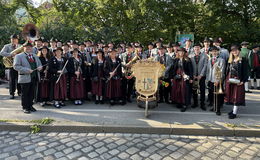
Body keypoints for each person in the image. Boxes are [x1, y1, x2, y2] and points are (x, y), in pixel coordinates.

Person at [13, 42, 42, 114]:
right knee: (25, 93)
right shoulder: (19, 56)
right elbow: (16, 66)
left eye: (30, 47)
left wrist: (40, 68)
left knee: (32, 93)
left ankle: (30, 105)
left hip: (34, 77)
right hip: (24, 78)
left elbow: (39, 64)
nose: (29, 48)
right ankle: (25, 107)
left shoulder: (35, 55)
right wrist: (27, 70)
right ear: (24, 48)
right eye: (27, 47)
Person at [224, 45, 248, 119]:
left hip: (239, 80)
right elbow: (227, 70)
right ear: (231, 52)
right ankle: (233, 110)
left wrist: (243, 81)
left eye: (236, 50)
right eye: (233, 50)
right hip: (230, 80)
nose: (235, 52)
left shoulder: (243, 59)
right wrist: (226, 79)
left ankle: (234, 113)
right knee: (231, 96)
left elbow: (246, 72)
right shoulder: (229, 59)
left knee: (236, 96)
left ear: (239, 51)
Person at [0, 34, 21, 99]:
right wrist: (10, 54)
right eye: (12, 39)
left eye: (15, 39)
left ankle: (20, 92)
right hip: (11, 65)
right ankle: (12, 93)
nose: (14, 40)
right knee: (12, 80)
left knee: (19, 79)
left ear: (17, 40)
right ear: (11, 39)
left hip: (19, 65)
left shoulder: (20, 46)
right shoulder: (7, 46)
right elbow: (1, 53)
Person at [206, 46, 225, 115]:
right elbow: (208, 70)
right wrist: (208, 79)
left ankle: (218, 110)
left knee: (218, 95)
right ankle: (215, 107)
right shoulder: (209, 60)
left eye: (215, 51)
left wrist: (218, 80)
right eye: (213, 51)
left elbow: (222, 71)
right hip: (211, 80)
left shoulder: (221, 60)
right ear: (210, 52)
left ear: (218, 52)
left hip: (217, 80)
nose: (214, 52)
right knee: (213, 95)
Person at [190, 43, 208, 110]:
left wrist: (201, 75)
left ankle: (202, 104)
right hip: (194, 76)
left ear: (200, 48)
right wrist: (193, 75)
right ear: (193, 48)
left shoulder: (204, 55)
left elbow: (205, 65)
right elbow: (190, 66)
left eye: (198, 47)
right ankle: (195, 103)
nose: (196, 49)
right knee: (194, 89)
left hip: (201, 76)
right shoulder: (190, 55)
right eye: (195, 47)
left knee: (202, 90)